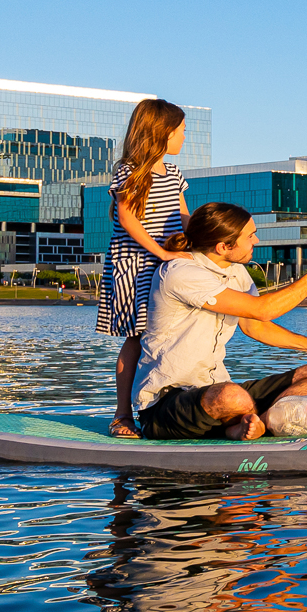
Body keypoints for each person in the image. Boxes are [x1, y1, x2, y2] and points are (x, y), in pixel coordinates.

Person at [133, 202, 307, 440]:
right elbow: (261, 310)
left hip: (216, 387)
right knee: (231, 396)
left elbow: (254, 325)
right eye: (250, 236)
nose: (256, 241)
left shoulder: (236, 271)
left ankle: (260, 423)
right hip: (167, 403)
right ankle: (249, 423)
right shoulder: (181, 273)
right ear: (223, 246)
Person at [100, 99, 192, 439]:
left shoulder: (175, 174)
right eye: (182, 131)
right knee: (137, 337)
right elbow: (128, 218)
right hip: (135, 265)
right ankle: (122, 415)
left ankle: (162, 407)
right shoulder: (129, 170)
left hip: (165, 264)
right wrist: (161, 254)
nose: (185, 137)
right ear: (163, 133)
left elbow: (183, 217)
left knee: (164, 336)